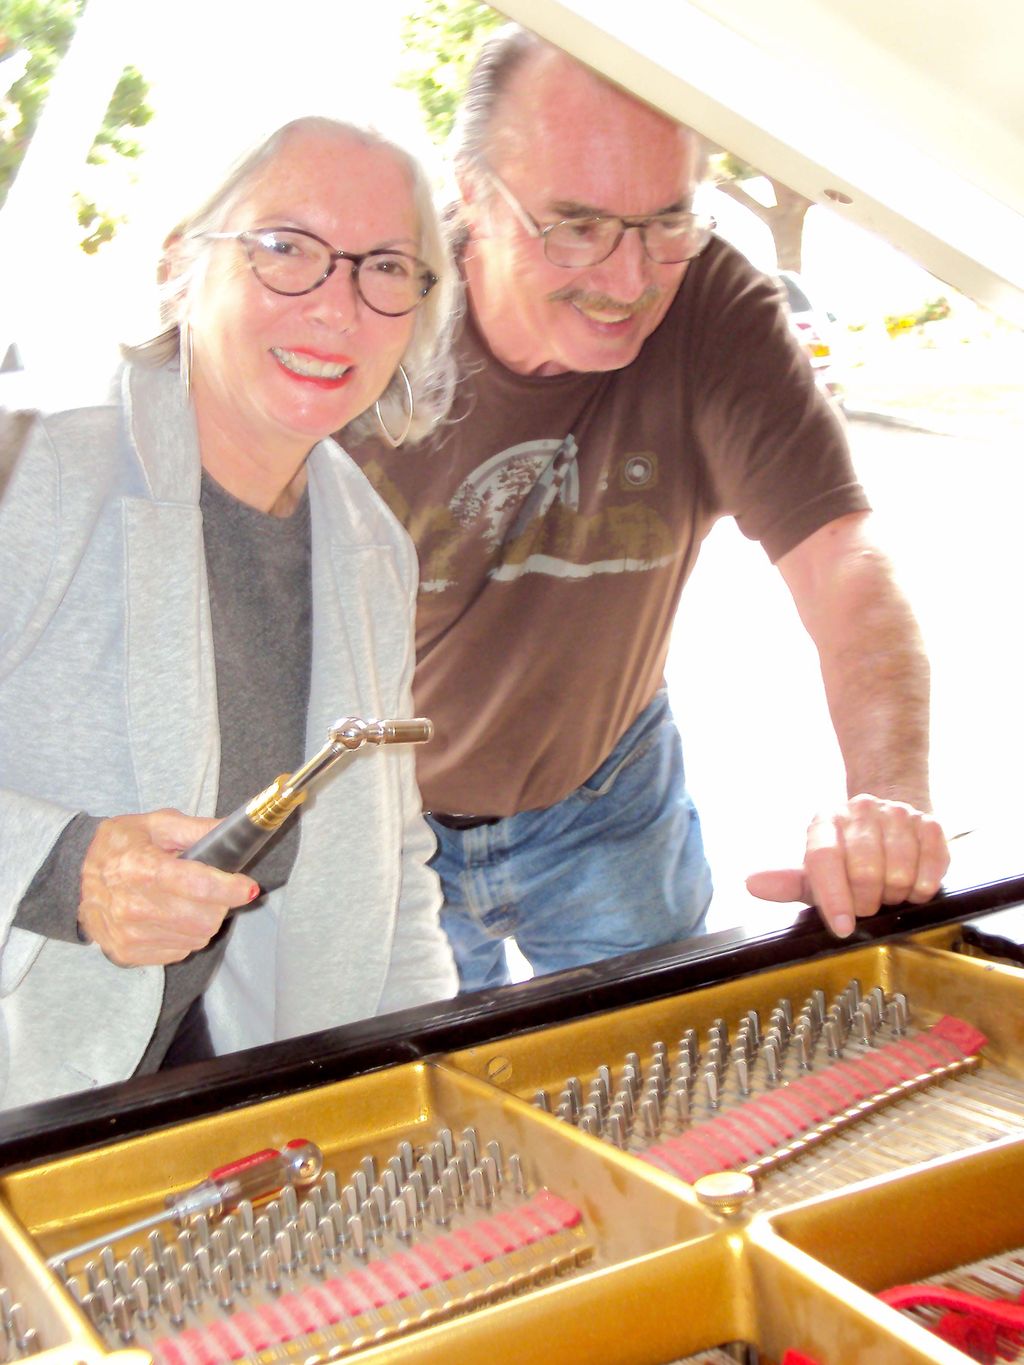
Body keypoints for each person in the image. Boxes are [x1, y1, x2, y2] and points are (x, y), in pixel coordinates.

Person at [347, 27, 949, 992]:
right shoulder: (372, 305)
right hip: (374, 822)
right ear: (470, 193)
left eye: (666, 220)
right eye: (576, 226)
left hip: (608, 796)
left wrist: (887, 800)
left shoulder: (712, 305)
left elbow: (842, 560)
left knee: (670, 1084)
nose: (629, 284)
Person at [0, 116, 460, 1110]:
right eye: (284, 248)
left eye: (384, 267)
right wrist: (62, 868)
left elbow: (390, 854)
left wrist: (422, 1084)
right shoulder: (27, 460)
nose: (336, 307)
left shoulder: (370, 546)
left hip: (160, 1083)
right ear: (179, 267)